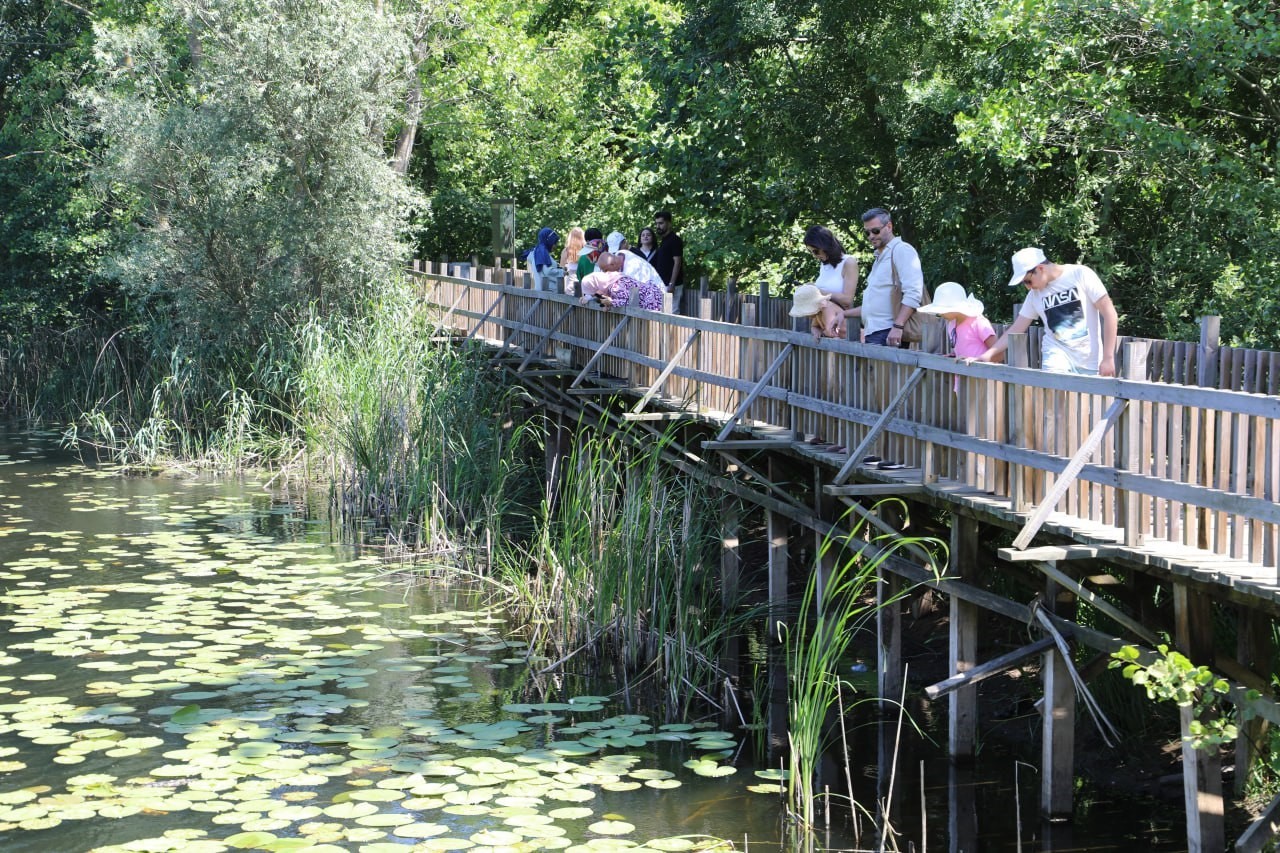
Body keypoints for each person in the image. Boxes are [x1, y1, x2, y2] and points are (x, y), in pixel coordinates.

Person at [971, 247, 1118, 376]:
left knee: (1084, 408)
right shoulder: (1034, 296)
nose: (1028, 287)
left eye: (1027, 281)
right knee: (1053, 404)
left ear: (1040, 268)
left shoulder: (1080, 274)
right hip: (1056, 353)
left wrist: (1108, 358)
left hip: (1088, 359)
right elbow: (1016, 328)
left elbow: (1109, 313)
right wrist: (987, 355)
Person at [850, 207, 923, 348]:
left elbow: (914, 292)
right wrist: (843, 314)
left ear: (889, 226)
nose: (871, 236)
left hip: (890, 332)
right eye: (867, 232)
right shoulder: (880, 256)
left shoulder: (902, 250)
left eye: (875, 231)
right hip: (875, 332)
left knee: (889, 371)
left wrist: (898, 326)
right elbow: (874, 302)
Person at [918, 282, 998, 390]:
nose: (940, 314)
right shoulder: (951, 324)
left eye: (943, 310)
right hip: (962, 383)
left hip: (983, 385)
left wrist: (978, 360)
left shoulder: (979, 322)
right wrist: (954, 355)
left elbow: (999, 354)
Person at [803, 225, 858, 309]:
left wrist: (817, 291)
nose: (814, 256)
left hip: (838, 320)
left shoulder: (848, 262)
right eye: (812, 252)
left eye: (816, 251)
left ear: (825, 245)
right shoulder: (824, 265)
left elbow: (847, 300)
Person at [579, 266, 665, 312]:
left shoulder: (615, 287)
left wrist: (612, 303)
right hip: (650, 296)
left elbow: (629, 301)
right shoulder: (612, 279)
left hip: (651, 301)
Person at [600, 246, 664, 293]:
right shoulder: (620, 254)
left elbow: (630, 296)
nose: (605, 273)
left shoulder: (632, 269)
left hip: (658, 298)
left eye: (606, 270)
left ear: (612, 264)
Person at [650, 211, 684, 289]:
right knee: (665, 302)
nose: (658, 226)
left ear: (669, 224)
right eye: (657, 223)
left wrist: (671, 283)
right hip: (664, 284)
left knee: (671, 302)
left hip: (671, 285)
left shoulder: (675, 240)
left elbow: (677, 262)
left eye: (661, 223)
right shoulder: (664, 240)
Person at [560, 227, 586, 291]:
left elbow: (561, 268)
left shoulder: (565, 251)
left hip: (569, 283)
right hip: (583, 283)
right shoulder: (586, 251)